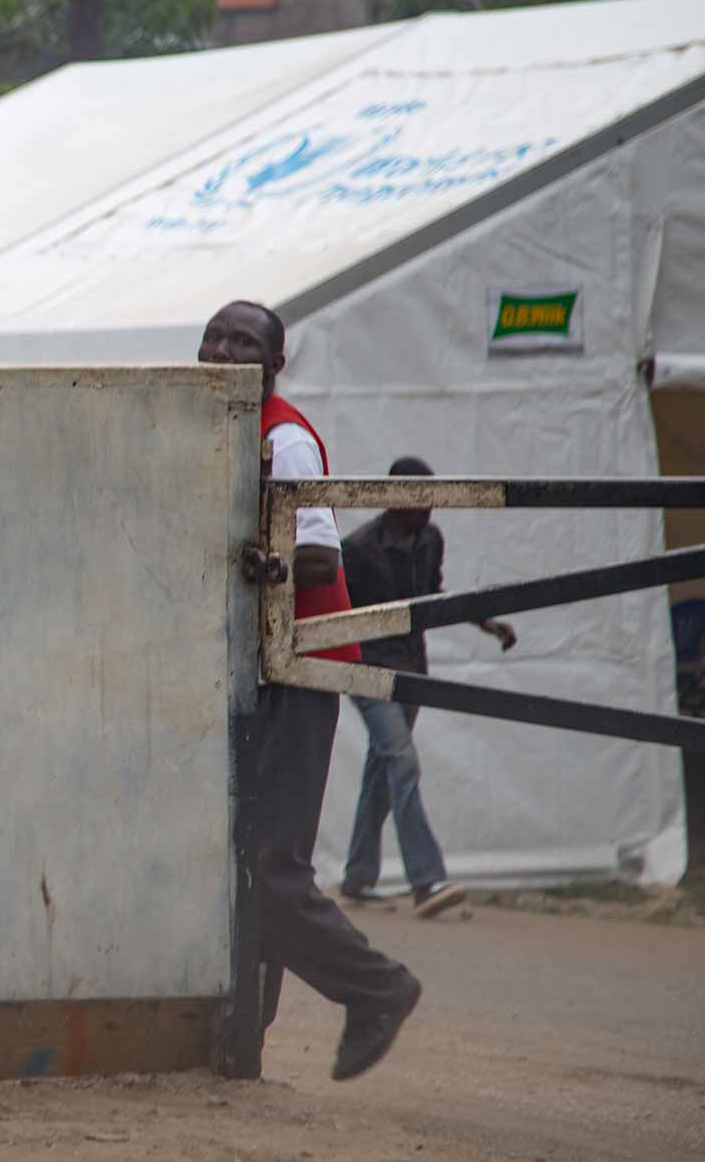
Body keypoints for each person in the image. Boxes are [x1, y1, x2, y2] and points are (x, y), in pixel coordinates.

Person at [199, 300, 422, 1081]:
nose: (224, 350)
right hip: (253, 668)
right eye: (215, 336)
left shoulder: (283, 438)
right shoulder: (205, 426)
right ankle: (238, 1042)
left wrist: (258, 560)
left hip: (301, 664)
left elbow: (322, 562)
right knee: (237, 862)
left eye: (245, 342)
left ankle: (378, 988)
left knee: (269, 865)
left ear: (276, 365)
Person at [339, 457, 516, 918]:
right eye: (419, 499)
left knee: (383, 769)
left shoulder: (431, 540)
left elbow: (436, 597)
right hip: (368, 670)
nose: (429, 509)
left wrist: (486, 622)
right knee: (401, 760)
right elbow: (333, 614)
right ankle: (426, 879)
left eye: (432, 499)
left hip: (412, 670)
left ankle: (358, 878)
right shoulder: (357, 549)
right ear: (393, 498)